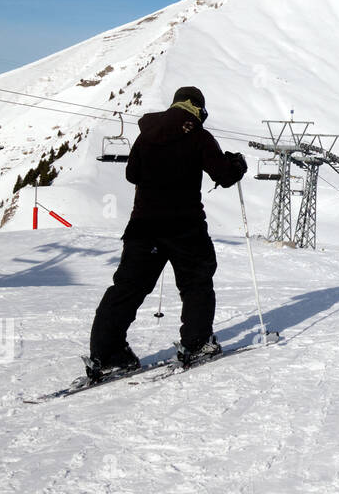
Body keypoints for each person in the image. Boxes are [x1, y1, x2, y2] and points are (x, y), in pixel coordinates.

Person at [87, 86, 247, 380]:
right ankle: (196, 344)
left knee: (126, 289)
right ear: (198, 109)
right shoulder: (199, 135)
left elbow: (131, 174)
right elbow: (224, 176)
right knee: (196, 282)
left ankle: (107, 354)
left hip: (143, 226)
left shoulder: (146, 133)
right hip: (184, 227)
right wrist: (237, 164)